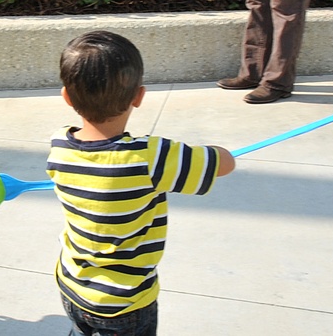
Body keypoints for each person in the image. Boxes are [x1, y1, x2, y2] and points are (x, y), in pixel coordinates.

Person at [48, 31, 236, 336]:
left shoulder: (59, 143)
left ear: (67, 97)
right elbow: (224, 163)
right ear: (138, 96)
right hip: (126, 303)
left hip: (72, 286)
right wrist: (213, 151)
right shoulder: (150, 158)